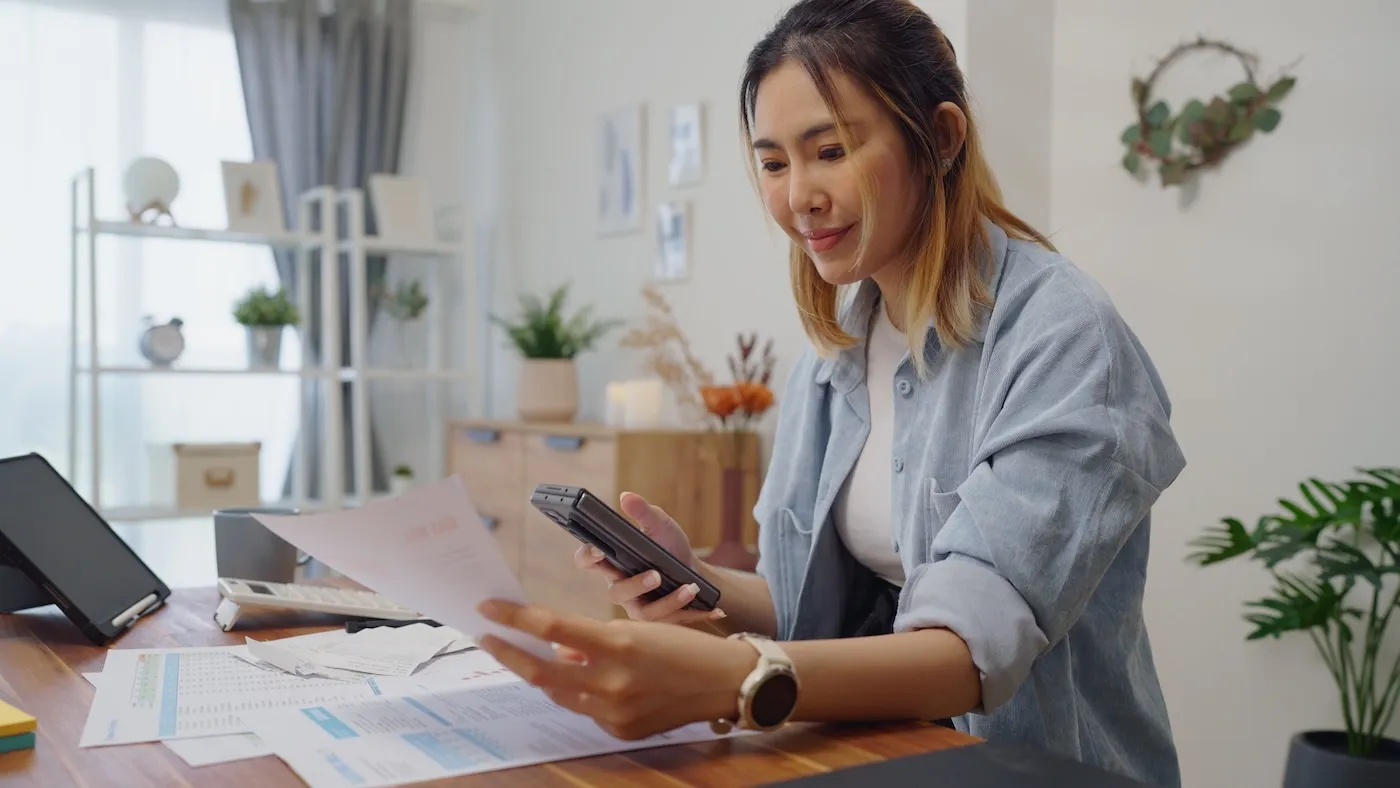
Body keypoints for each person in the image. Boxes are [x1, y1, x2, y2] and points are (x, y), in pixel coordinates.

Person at [474, 0, 1186, 785]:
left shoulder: (1066, 340)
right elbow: (810, 603)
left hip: (1034, 768)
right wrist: (696, 582)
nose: (799, 195)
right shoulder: (836, 356)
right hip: (878, 751)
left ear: (939, 141)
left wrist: (733, 676)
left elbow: (965, 654)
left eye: (831, 150)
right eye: (775, 163)